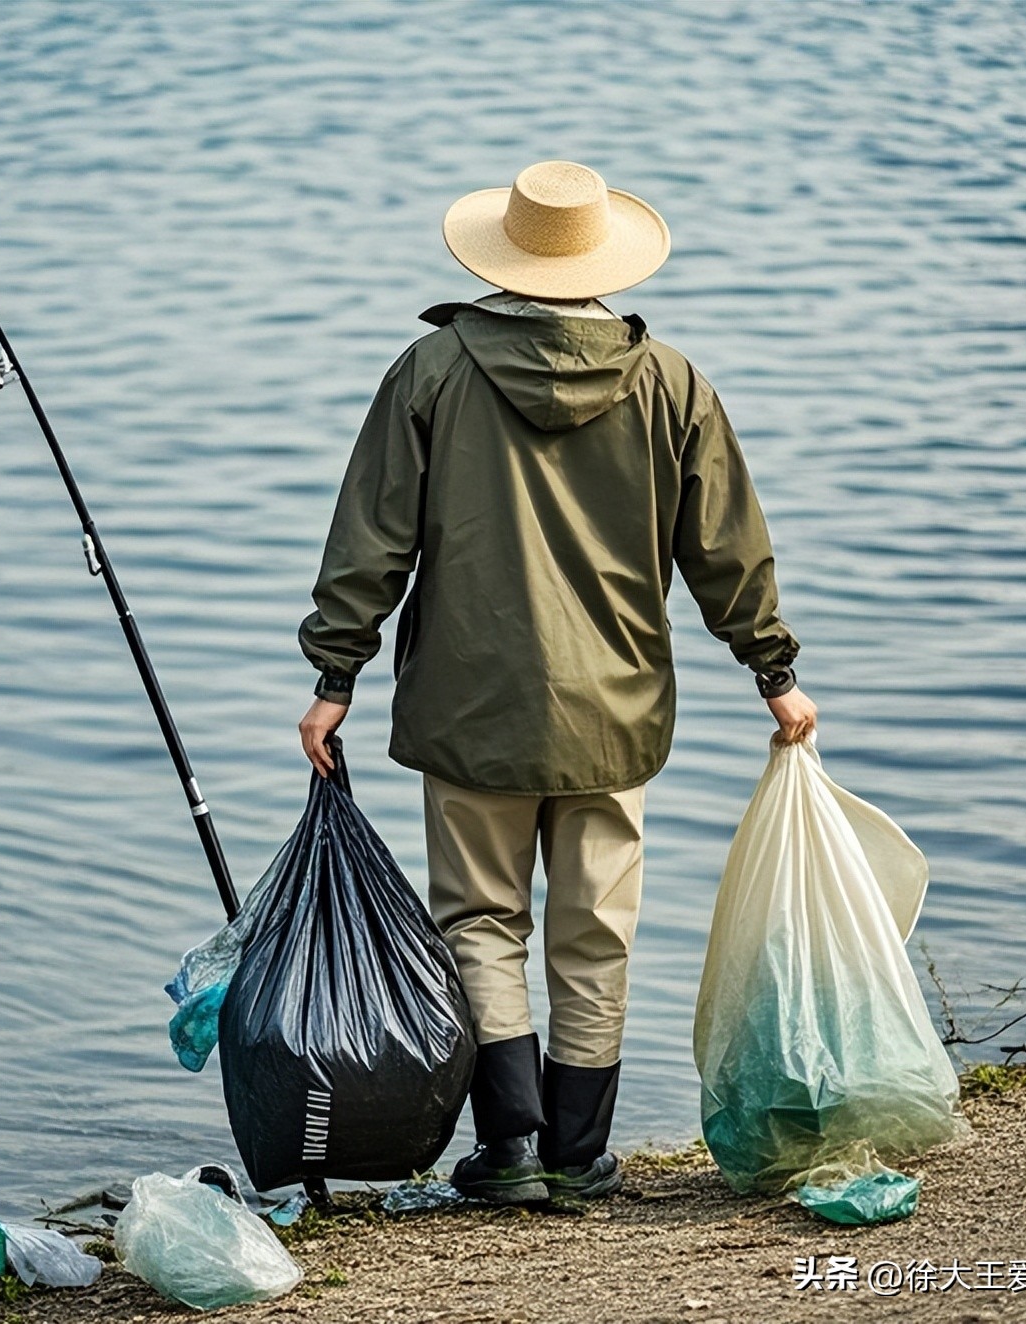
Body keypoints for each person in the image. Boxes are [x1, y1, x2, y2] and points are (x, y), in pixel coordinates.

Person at [296, 161, 817, 1205]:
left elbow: (371, 540)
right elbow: (727, 551)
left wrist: (334, 672)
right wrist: (776, 673)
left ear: (501, 258)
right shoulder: (671, 383)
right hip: (612, 713)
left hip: (470, 703)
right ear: (601, 267)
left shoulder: (430, 370)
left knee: (481, 920)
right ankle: (581, 1152)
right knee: (593, 930)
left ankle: (510, 1149)